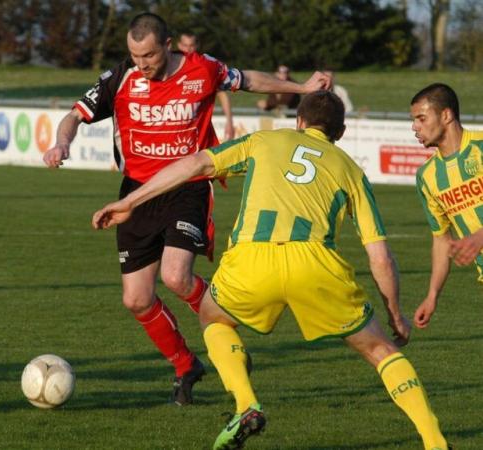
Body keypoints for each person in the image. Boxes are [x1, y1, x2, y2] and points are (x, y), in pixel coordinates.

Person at [93, 91, 449, 450]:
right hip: (316, 265)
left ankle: (246, 404)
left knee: (213, 318)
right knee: (380, 350)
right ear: (339, 133)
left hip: (252, 260)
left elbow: (196, 164)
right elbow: (381, 257)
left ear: (298, 122)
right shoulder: (351, 170)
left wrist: (129, 201)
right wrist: (395, 314)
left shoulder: (265, 140)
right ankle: (435, 442)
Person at [43, 12, 331, 405]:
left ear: (168, 45)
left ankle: (228, 338)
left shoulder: (203, 69)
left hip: (188, 187)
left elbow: (248, 80)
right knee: (136, 300)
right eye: (133, 55)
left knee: (177, 277)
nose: (140, 64)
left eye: (147, 56)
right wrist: (62, 143)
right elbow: (74, 115)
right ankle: (185, 365)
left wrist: (300, 87)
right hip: (137, 195)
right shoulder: (121, 77)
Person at [411, 83, 483, 329]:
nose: (415, 127)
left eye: (421, 118)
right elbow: (441, 240)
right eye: (414, 120)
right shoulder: (427, 177)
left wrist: (480, 235)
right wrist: (432, 296)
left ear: (446, 115)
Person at [177, 31, 235, 141]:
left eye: (191, 46)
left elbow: (222, 94)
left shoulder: (205, 68)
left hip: (198, 134)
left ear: (197, 46)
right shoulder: (169, 67)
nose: (188, 50)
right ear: (179, 45)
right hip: (173, 133)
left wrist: (229, 121)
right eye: (185, 46)